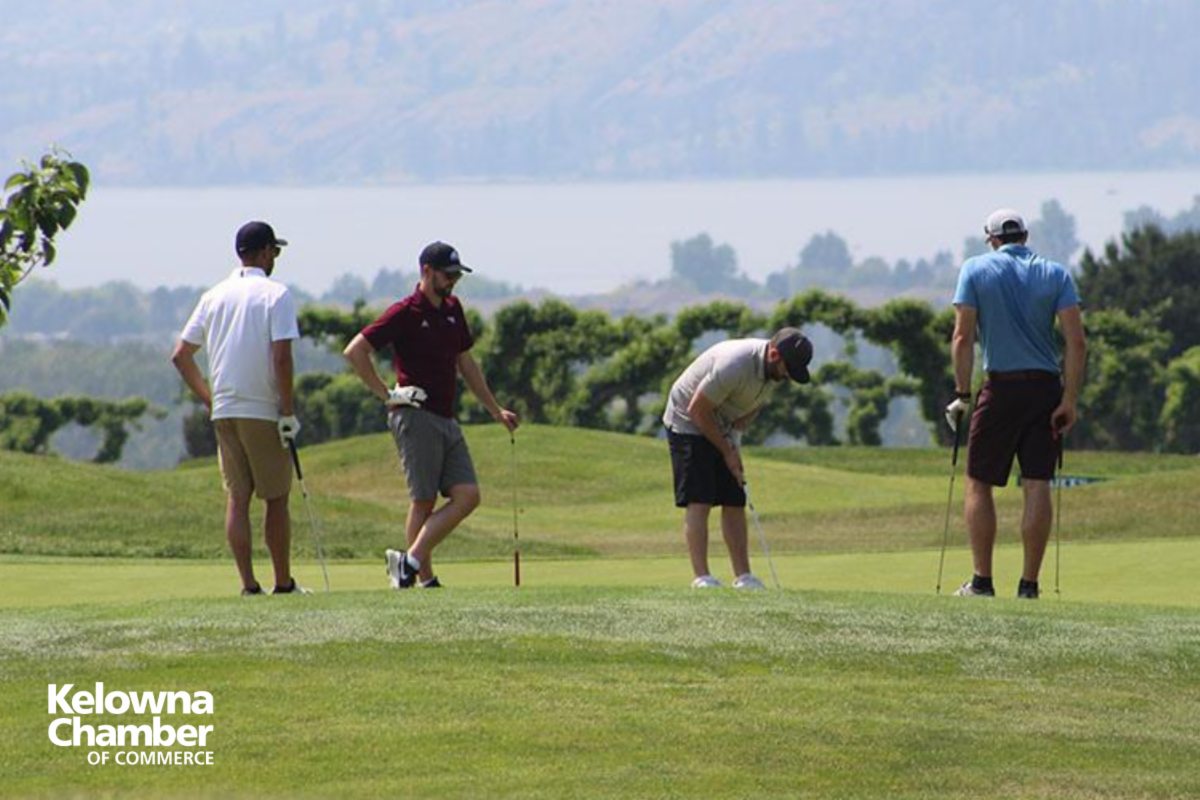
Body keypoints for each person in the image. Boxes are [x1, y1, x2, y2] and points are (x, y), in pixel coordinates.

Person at [343, 241, 519, 590]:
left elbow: (466, 363)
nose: (453, 281)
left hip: (446, 417)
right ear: (427, 271)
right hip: (416, 416)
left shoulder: (453, 309)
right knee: (423, 500)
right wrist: (387, 394)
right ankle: (423, 580)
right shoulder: (405, 312)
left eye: (457, 276)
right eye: (448, 274)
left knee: (468, 495)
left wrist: (495, 409)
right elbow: (356, 351)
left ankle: (407, 563)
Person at [947, 208, 1087, 599]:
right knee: (1037, 481)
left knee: (979, 483)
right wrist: (1069, 400)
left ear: (992, 240)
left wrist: (962, 394)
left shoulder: (975, 269)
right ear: (1024, 236)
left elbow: (962, 338)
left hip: (1000, 389)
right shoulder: (1056, 273)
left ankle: (982, 583)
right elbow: (1076, 343)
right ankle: (1029, 586)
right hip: (1046, 390)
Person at [171, 220, 307, 596]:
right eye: (274, 251)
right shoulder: (276, 294)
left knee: (238, 497)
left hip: (225, 410)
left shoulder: (213, 295)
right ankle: (283, 583)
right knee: (276, 497)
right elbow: (282, 358)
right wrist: (288, 411)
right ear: (263, 252)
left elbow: (181, 355)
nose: (275, 258)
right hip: (262, 408)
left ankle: (248, 585)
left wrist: (209, 399)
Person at [662, 328, 813, 589]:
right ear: (774, 354)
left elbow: (751, 408)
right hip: (687, 420)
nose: (789, 376)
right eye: (788, 369)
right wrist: (726, 451)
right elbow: (697, 410)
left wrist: (735, 445)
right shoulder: (735, 364)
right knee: (700, 499)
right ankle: (702, 578)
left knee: (734, 498)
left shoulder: (772, 372)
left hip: (720, 421)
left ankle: (743, 577)